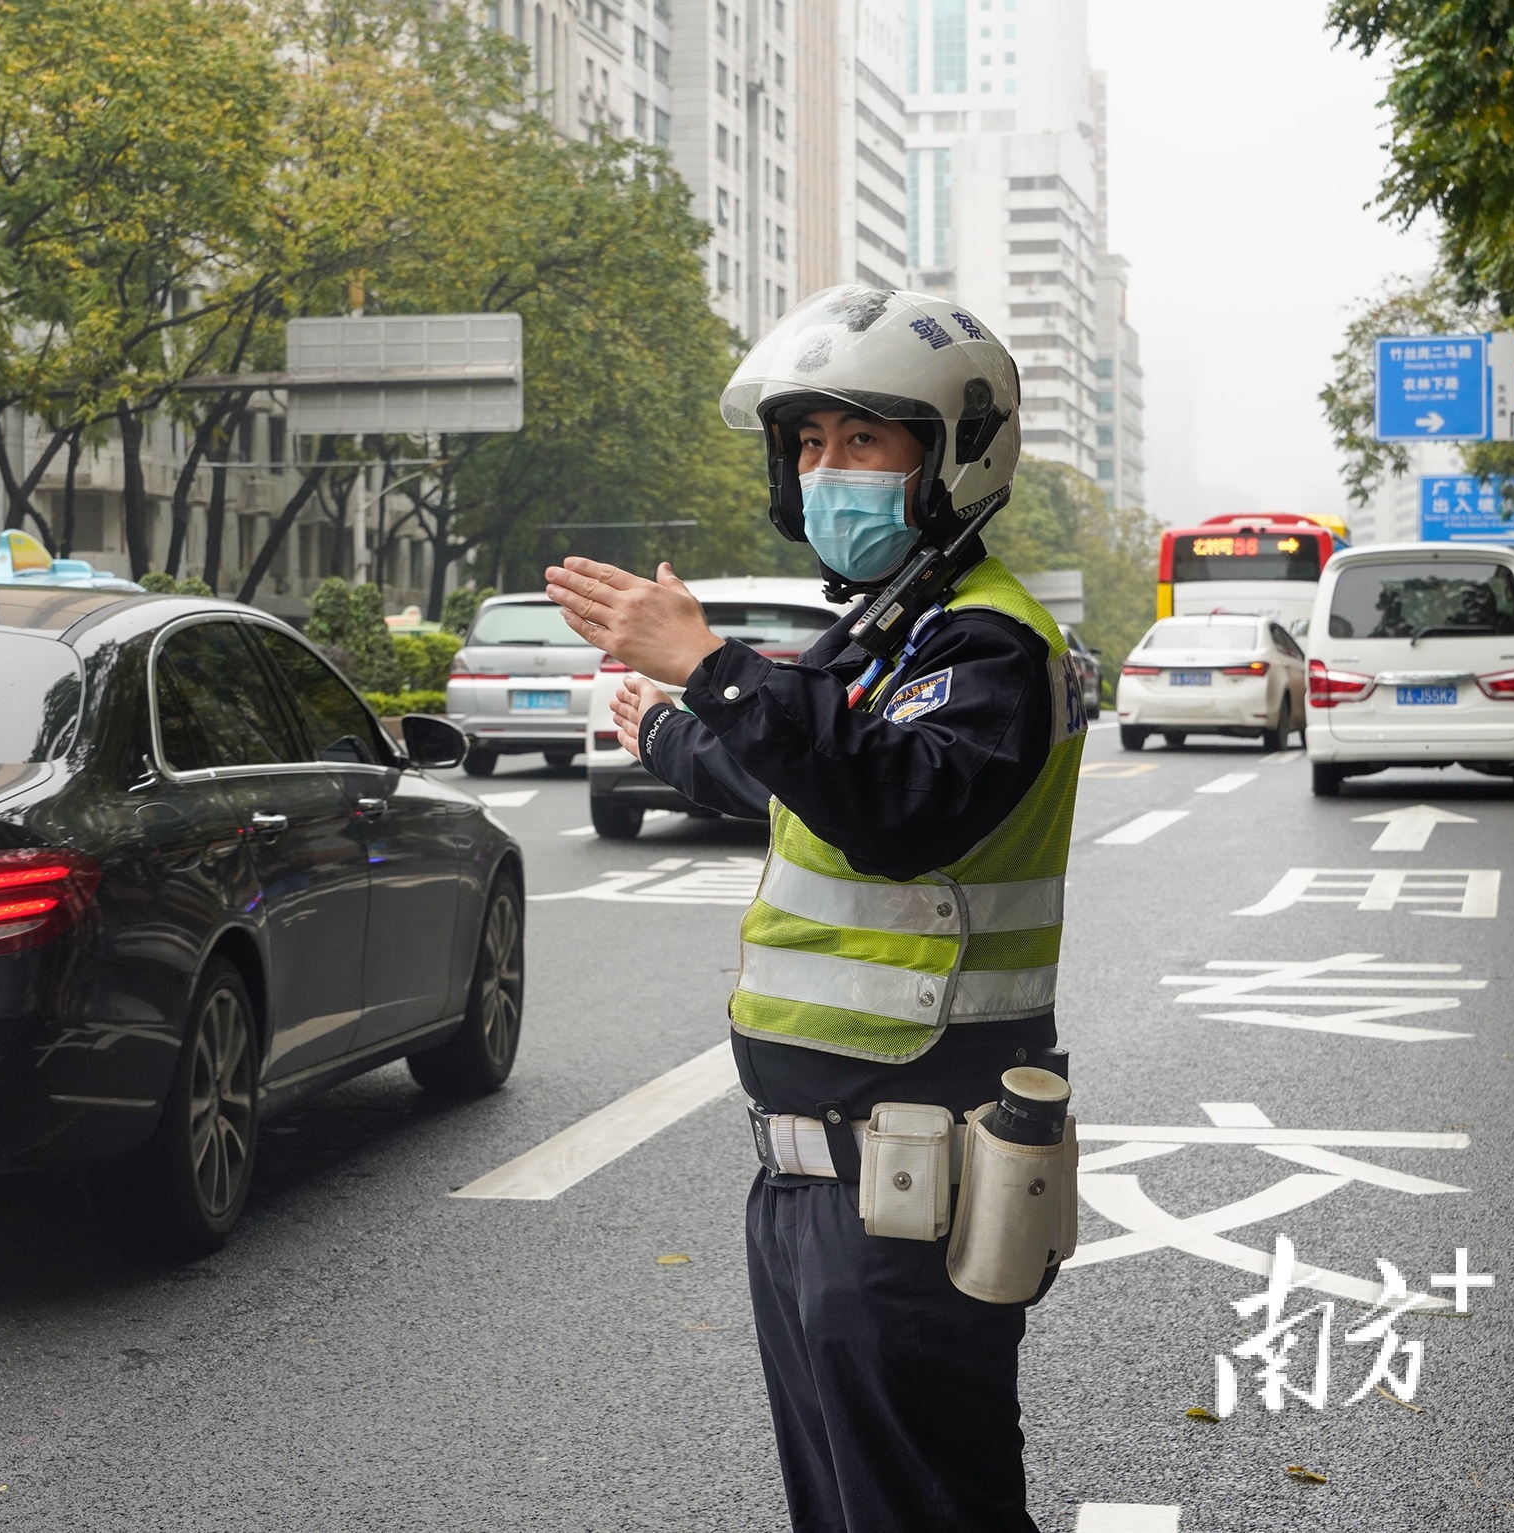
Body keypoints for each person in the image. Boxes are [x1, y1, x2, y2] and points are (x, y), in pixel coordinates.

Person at [543, 284, 1084, 1533]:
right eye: (807, 444)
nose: (824, 469)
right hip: (811, 1182)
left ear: (949, 455)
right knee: (844, 1506)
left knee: (914, 1506)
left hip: (909, 1174)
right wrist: (674, 728)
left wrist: (710, 666)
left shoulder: (985, 646)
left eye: (861, 441)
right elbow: (791, 774)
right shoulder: (886, 634)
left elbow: (895, 805)